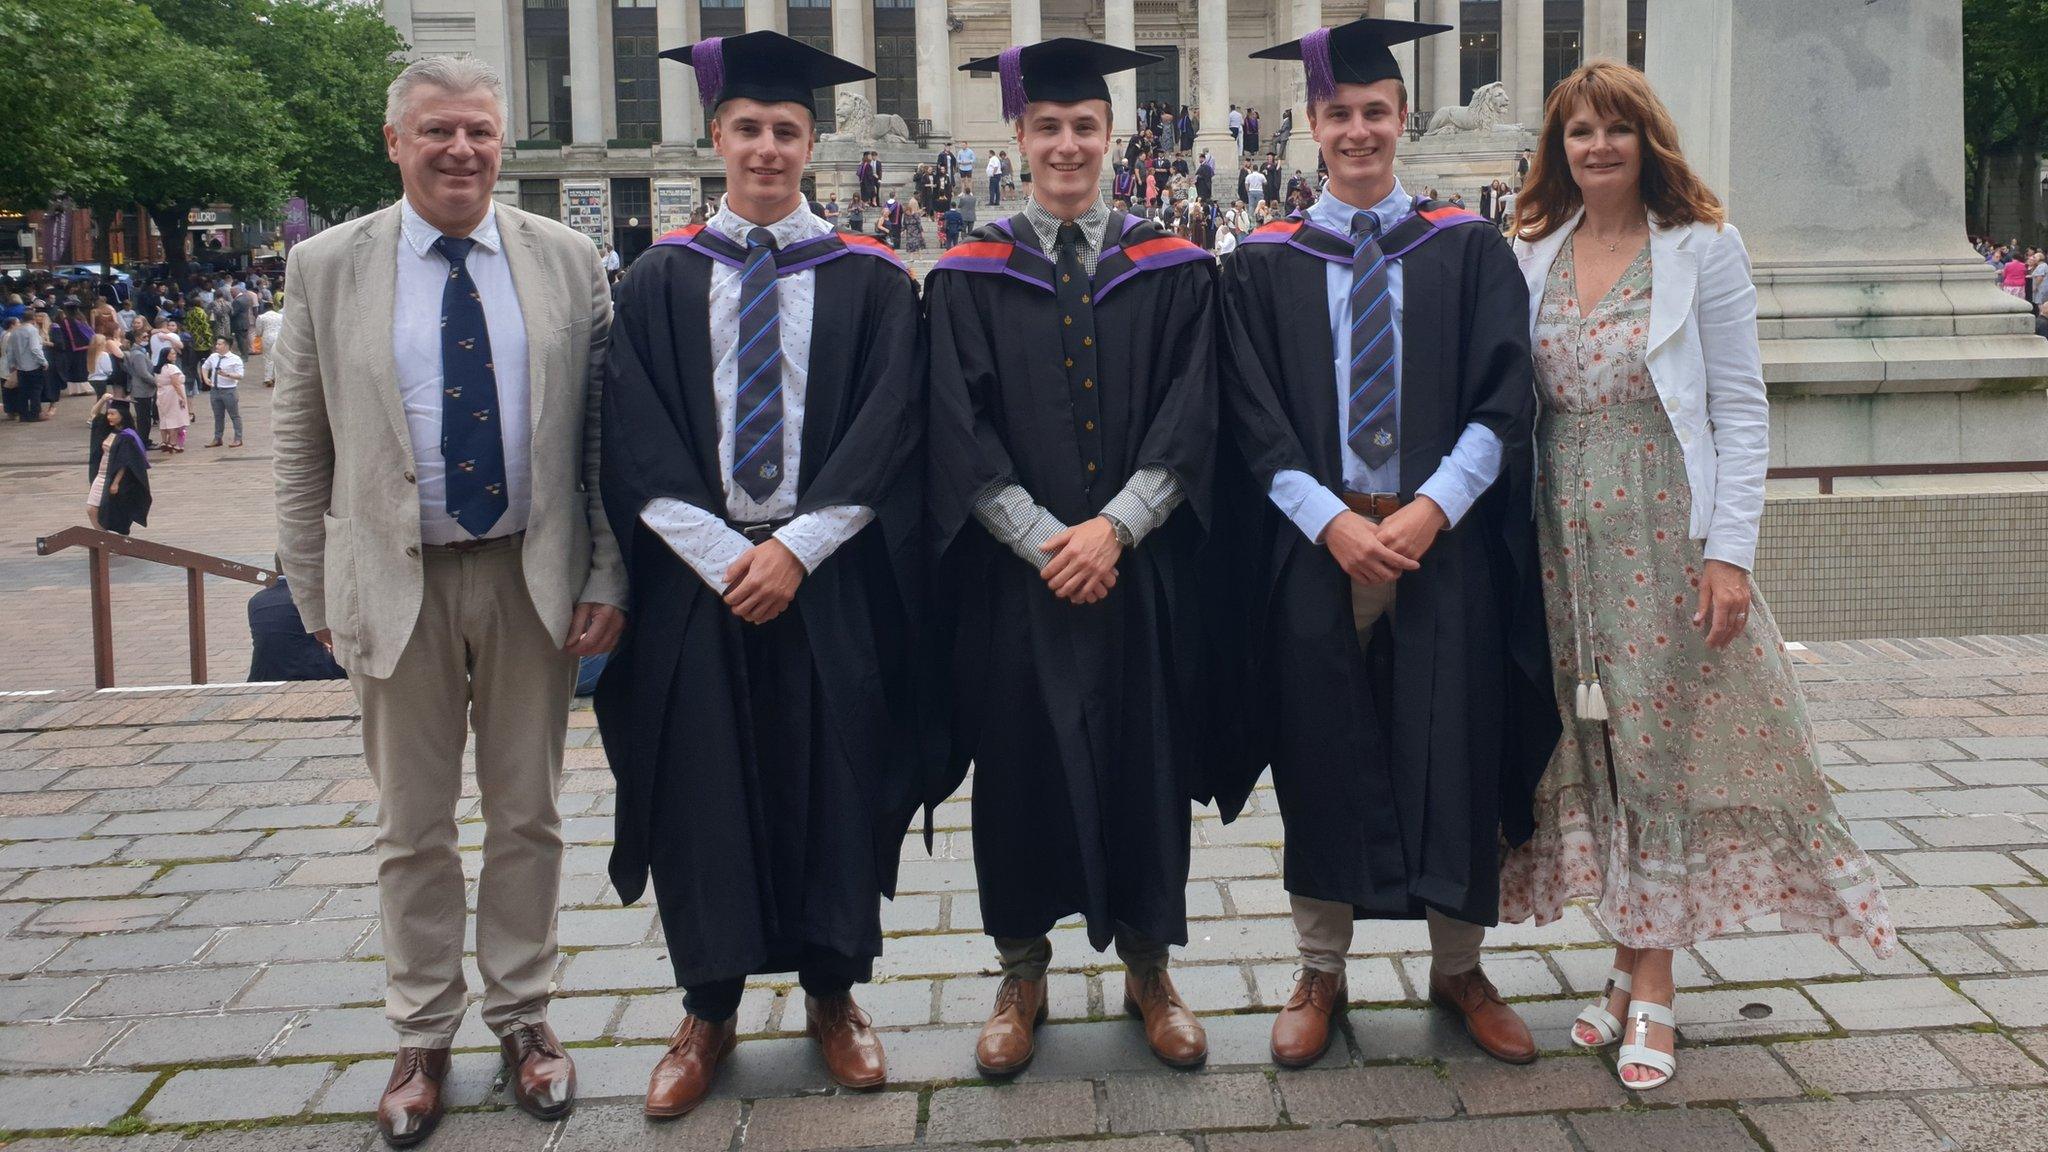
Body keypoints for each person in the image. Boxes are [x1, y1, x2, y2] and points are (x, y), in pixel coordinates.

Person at [1500, 59, 1895, 1091]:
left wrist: (1728, 553)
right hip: (1560, 535)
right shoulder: (1530, 248)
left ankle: (1656, 989)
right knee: (1601, 749)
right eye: (1579, 131)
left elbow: (1742, 407)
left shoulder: (1702, 247)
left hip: (1663, 529)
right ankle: (1626, 968)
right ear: (1558, 147)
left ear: (1647, 141)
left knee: (1663, 746)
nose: (1596, 147)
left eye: (1615, 131)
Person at [271, 56, 626, 1147]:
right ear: (396, 142)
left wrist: (607, 572)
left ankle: (525, 1018)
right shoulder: (327, 266)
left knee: (530, 814)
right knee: (409, 827)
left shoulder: (567, 260)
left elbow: (604, 442)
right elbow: (299, 438)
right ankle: (421, 1032)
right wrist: (310, 586)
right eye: (437, 132)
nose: (460, 150)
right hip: (397, 577)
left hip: (532, 572)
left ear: (502, 143)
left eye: (477, 131)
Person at [598, 30, 933, 1120]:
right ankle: (707, 1008)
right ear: (716, 136)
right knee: (703, 793)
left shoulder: (874, 282)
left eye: (786, 130)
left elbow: (891, 429)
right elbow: (632, 436)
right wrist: (723, 555)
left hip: (825, 578)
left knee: (838, 783)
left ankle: (836, 996)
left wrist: (794, 548)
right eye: (748, 129)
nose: (767, 148)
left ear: (811, 142)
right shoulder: (655, 279)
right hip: (699, 583)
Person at [1219, 16, 1558, 1070]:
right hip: (1313, 547)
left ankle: (1458, 968)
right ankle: (1319, 967)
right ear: (1309, 125)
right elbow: (1249, 415)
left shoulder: (1466, 249)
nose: (1357, 129)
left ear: (1401, 118)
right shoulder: (1262, 264)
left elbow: (1505, 404)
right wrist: (1327, 518)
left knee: (1453, 743)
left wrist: (1427, 510)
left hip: (1437, 540)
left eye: (1374, 111)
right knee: (1318, 748)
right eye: (1337, 114)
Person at [929, 37, 1222, 1078]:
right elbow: (954, 429)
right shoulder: (965, 277)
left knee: (1145, 765)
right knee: (1016, 773)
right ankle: (1021, 972)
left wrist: (1115, 529)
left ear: (1112, 137)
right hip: (1020, 585)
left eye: (1083, 127)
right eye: (1046, 127)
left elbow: (1194, 416)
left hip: (1136, 577)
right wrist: (1045, 539)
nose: (1065, 143)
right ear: (1017, 137)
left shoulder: (1176, 269)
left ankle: (1150, 969)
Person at [86, 402, 151, 535]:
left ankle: (110, 541)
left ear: (123, 415)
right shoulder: (110, 430)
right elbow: (94, 415)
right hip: (101, 475)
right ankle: (105, 539)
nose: (109, 417)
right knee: (91, 509)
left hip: (112, 478)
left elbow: (126, 461)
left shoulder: (128, 436)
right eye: (108, 414)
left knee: (111, 511)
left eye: (112, 414)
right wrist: (103, 400)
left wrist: (116, 482)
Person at [154, 354, 192, 452]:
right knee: (175, 418)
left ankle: (164, 441)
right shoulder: (171, 368)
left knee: (164, 417)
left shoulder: (159, 368)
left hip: (162, 394)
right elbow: (176, 384)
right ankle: (173, 442)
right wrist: (182, 397)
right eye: (172, 353)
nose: (174, 355)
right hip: (173, 395)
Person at [255, 301, 285, 387]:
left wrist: (260, 334)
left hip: (267, 337)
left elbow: (258, 331)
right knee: (278, 357)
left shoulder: (261, 317)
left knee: (268, 358)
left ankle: (268, 378)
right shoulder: (280, 316)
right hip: (279, 336)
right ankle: (277, 377)